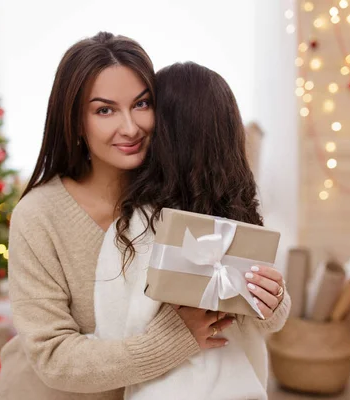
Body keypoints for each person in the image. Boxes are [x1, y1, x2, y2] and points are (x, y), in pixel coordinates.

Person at [0, 33, 234, 400]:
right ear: (75, 121)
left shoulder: (179, 197)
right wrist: (172, 340)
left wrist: (273, 294)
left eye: (141, 104)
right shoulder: (38, 216)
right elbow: (53, 357)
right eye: (104, 110)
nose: (130, 127)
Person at [92, 62, 291, 400]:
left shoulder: (132, 228)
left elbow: (111, 336)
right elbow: (115, 347)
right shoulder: (137, 227)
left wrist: (275, 302)